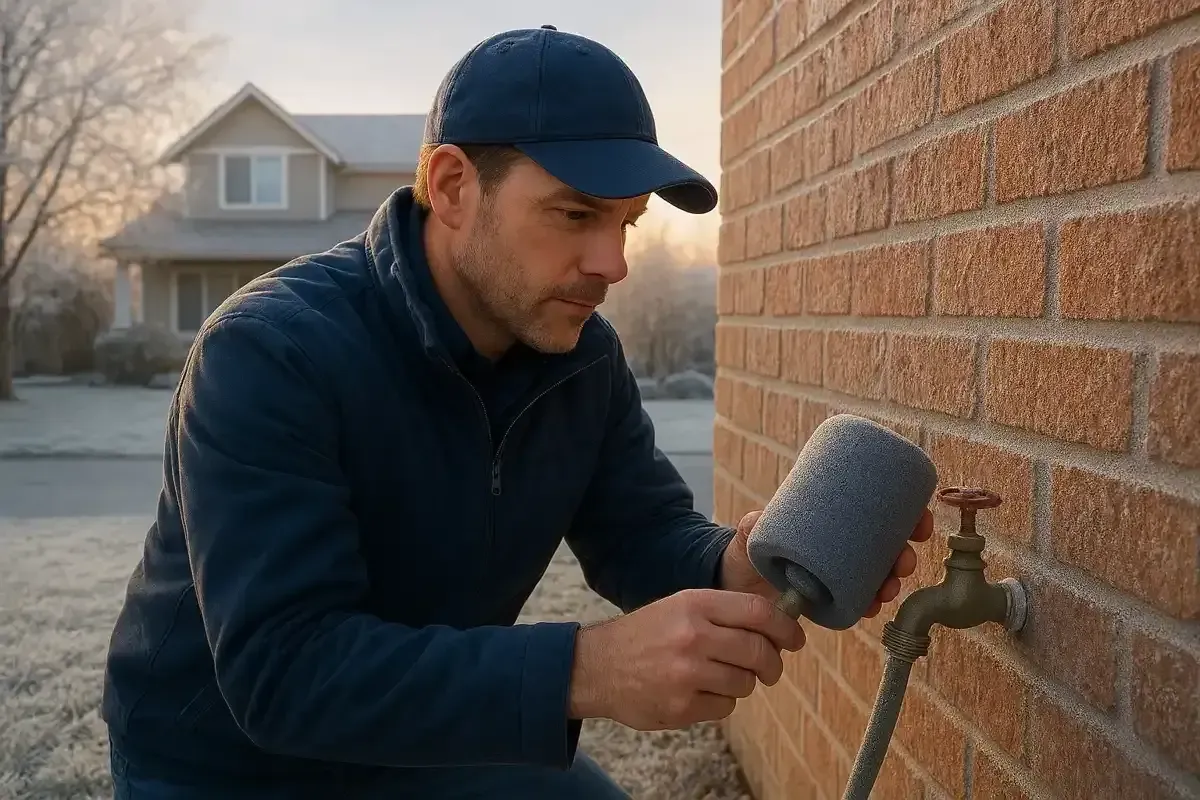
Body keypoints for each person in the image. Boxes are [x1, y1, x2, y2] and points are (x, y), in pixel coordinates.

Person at [101, 25, 932, 799]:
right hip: (226, 764)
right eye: (576, 214)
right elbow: (284, 675)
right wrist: (587, 671)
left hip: (432, 728)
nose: (612, 263)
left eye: (626, 222)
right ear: (453, 186)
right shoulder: (269, 353)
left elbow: (639, 532)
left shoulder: (582, 358)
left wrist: (734, 566)